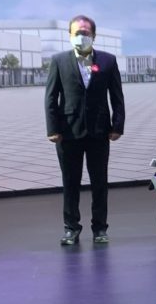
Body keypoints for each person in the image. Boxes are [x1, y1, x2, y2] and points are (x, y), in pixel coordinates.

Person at [45, 15, 125, 245]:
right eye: (77, 33)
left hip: (99, 132)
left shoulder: (108, 61)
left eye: (86, 33)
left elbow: (117, 96)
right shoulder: (59, 61)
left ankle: (100, 228)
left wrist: (117, 126)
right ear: (70, 36)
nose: (81, 36)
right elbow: (51, 97)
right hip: (68, 133)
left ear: (94, 36)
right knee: (70, 183)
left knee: (99, 182)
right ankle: (71, 228)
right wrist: (52, 129)